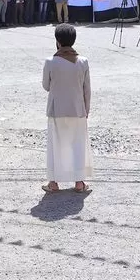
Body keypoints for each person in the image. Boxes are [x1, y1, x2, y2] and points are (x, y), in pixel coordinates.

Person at [41, 23, 93, 194]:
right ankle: (79, 182)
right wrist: (86, 109)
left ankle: (53, 183)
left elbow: (46, 86)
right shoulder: (83, 61)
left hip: (56, 110)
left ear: (57, 41)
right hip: (78, 110)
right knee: (77, 145)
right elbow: (87, 89)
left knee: (56, 146)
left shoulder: (50, 61)